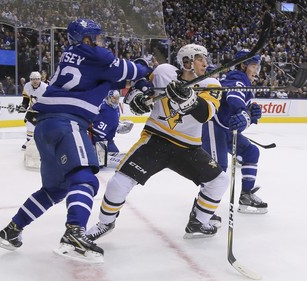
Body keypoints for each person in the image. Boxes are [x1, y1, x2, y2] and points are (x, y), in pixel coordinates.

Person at [0, 18, 152, 263]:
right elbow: (130, 71)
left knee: (55, 190)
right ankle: (74, 235)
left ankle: (11, 231)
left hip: (45, 126)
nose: (100, 41)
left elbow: (112, 79)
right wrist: (146, 67)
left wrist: (133, 81)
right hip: (68, 122)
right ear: (87, 39)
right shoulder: (97, 55)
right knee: (85, 179)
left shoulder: (73, 54)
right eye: (96, 37)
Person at [85, 43, 229, 242]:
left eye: (205, 58)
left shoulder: (211, 84)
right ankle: (105, 223)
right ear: (186, 62)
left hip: (188, 147)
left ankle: (199, 221)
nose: (205, 63)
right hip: (155, 140)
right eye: (199, 58)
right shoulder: (164, 72)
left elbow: (205, 114)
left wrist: (190, 100)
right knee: (118, 182)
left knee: (219, 181)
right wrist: (138, 96)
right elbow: (143, 87)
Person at [202, 49, 268, 214]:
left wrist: (252, 112)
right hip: (213, 126)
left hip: (226, 129)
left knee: (251, 152)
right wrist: (243, 111)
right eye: (253, 65)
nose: (256, 70)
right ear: (243, 65)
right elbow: (234, 98)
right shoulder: (237, 78)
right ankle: (203, 212)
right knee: (218, 170)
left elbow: (242, 108)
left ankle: (246, 195)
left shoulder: (245, 81)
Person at [17, 71, 48, 150]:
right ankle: (29, 141)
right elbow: (26, 98)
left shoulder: (45, 87)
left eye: (37, 79)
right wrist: (23, 106)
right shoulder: (27, 86)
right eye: (33, 79)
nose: (35, 81)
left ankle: (45, 142)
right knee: (29, 124)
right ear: (30, 80)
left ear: (40, 79)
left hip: (43, 111)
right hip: (32, 110)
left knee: (44, 127)